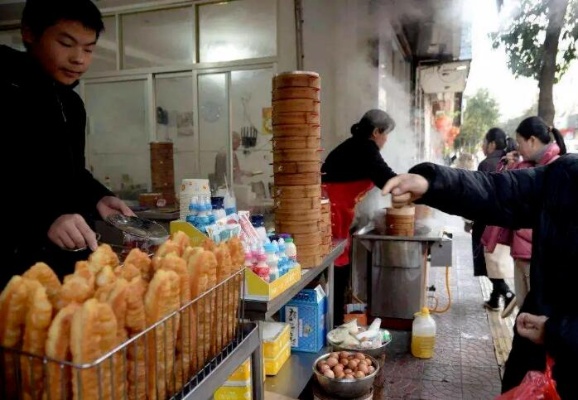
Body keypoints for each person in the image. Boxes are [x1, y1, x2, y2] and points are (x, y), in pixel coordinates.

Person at [382, 145, 578, 398]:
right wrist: (431, 183)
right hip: (535, 357)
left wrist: (557, 332)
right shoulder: (568, 176)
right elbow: (499, 191)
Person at [0, 0, 134, 289]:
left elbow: (71, 174)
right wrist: (44, 219)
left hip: (61, 262)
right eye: (66, 43)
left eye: (88, 49)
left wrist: (98, 197)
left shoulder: (71, 104)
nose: (79, 59)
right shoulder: (7, 87)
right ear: (29, 34)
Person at [482, 117, 566, 318]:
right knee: (524, 305)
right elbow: (504, 189)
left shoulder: (555, 167)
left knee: (534, 309)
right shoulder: (528, 165)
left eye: (520, 142)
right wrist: (508, 166)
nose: (518, 147)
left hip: (536, 252)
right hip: (522, 250)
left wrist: (522, 229)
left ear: (533, 141)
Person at [321, 109, 397, 325]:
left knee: (337, 264)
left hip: (337, 211)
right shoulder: (366, 148)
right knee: (336, 263)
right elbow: (387, 179)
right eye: (385, 133)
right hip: (332, 212)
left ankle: (333, 318)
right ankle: (333, 323)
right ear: (375, 132)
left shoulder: (355, 145)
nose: (386, 139)